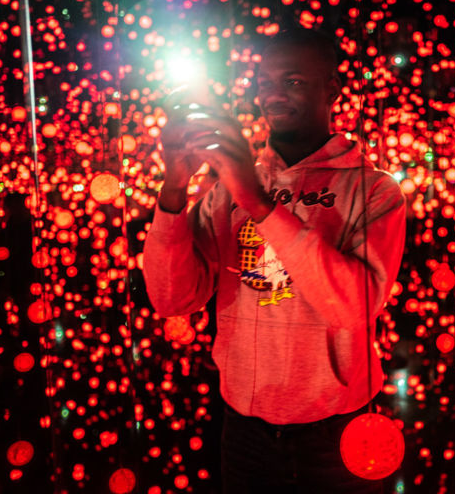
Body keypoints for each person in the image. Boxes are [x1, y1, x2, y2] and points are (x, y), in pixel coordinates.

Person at [142, 28, 406, 493]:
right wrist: (173, 191)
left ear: (333, 90)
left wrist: (260, 203)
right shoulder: (225, 188)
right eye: (264, 82)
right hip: (244, 426)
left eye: (294, 81)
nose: (273, 95)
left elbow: (352, 309)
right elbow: (172, 299)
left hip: (334, 427)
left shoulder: (374, 189)